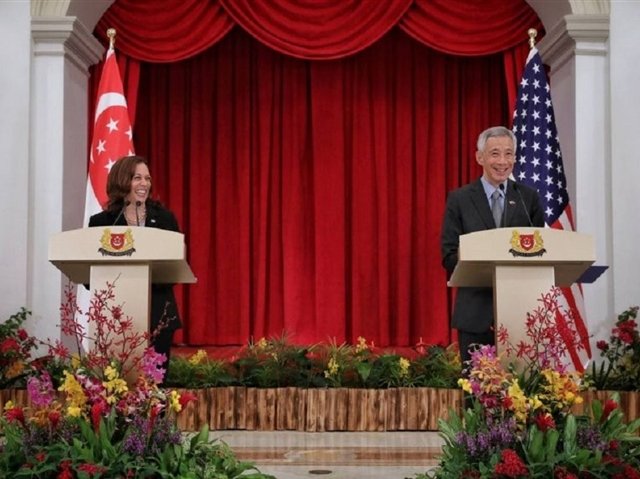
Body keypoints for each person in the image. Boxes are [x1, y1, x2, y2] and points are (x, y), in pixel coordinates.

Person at [440, 126, 544, 367]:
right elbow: (448, 255)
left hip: (521, 314)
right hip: (476, 314)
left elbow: (541, 250)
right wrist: (477, 258)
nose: (503, 162)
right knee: (477, 386)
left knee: (524, 386)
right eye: (495, 154)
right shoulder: (460, 199)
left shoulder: (527, 198)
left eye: (509, 154)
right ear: (480, 157)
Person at [88, 155, 181, 379]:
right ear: (122, 180)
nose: (144, 184)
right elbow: (89, 273)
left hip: (158, 313)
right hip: (115, 316)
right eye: (137, 178)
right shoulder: (102, 222)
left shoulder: (165, 219)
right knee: (115, 384)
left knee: (155, 385)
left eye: (147, 178)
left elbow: (176, 265)